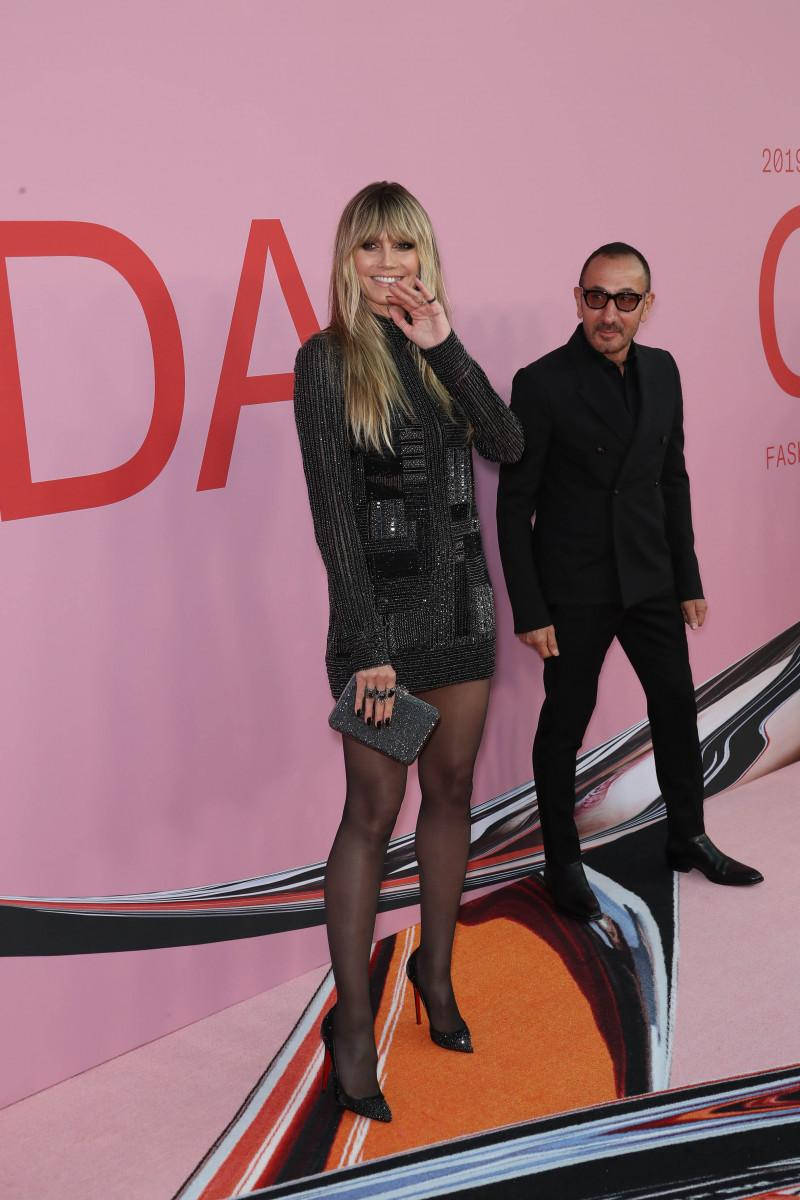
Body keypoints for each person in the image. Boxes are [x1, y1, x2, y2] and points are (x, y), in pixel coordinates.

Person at [293, 182, 523, 1122]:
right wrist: (367, 645)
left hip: (464, 610)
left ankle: (435, 970)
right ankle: (351, 1025)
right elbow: (334, 516)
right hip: (382, 629)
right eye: (370, 247)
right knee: (372, 813)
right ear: (347, 258)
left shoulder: (437, 352)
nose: (389, 265)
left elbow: (507, 442)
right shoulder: (325, 361)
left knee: (454, 789)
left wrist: (445, 346)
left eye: (405, 246)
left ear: (425, 255)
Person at [496, 242, 763, 923]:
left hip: (650, 578)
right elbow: (514, 505)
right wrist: (530, 607)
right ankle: (561, 862)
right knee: (565, 724)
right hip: (575, 588)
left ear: (647, 304)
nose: (608, 313)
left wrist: (688, 579)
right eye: (596, 297)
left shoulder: (664, 370)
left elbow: (672, 479)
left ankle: (688, 836)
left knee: (675, 706)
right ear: (578, 299)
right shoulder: (542, 382)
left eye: (624, 299)